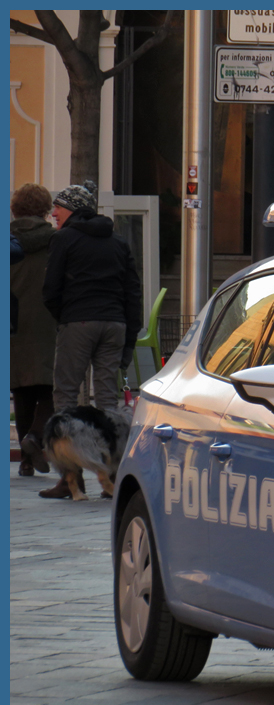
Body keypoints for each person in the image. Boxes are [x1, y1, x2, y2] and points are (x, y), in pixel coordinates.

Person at [40, 179, 142, 498]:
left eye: (58, 206)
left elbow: (51, 289)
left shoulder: (65, 239)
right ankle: (110, 475)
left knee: (67, 395)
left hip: (78, 321)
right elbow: (132, 293)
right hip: (115, 324)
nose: (53, 212)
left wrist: (66, 316)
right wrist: (128, 336)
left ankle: (71, 478)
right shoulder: (118, 241)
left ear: (71, 209)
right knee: (107, 399)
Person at [10, 184, 58, 477]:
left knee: (22, 389)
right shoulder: (57, 241)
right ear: (45, 210)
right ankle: (36, 438)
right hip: (48, 320)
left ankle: (26, 461)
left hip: (14, 322)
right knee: (51, 387)